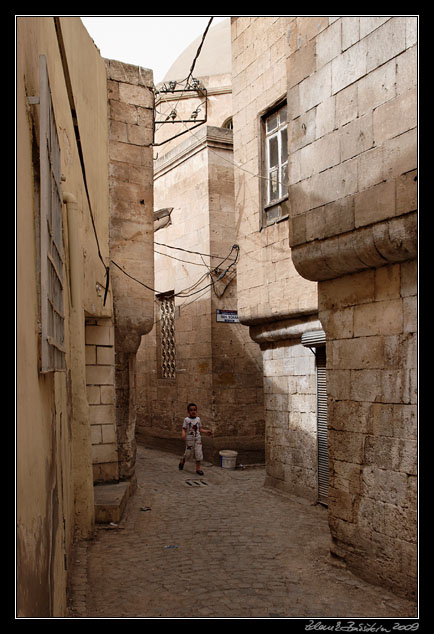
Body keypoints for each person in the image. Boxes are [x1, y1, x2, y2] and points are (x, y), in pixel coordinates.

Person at [178, 403, 212, 475]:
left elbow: (200, 429)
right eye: (191, 410)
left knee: (198, 453)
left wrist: (206, 431)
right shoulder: (186, 420)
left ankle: (198, 469)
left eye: (194, 410)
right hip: (189, 439)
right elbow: (184, 429)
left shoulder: (198, 419)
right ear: (188, 411)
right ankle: (183, 460)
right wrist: (183, 433)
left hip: (197, 439)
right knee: (188, 453)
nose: (193, 411)